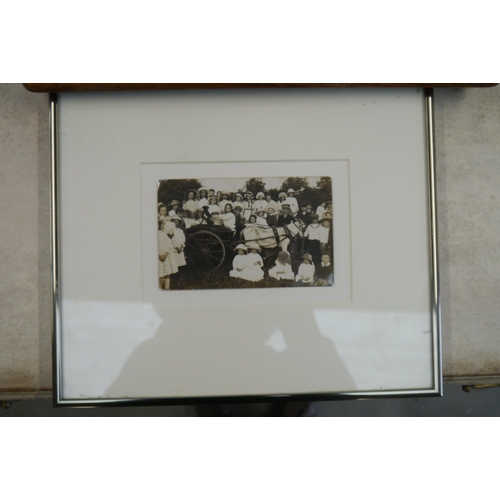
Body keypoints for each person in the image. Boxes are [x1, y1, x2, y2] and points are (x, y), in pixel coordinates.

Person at [158, 220, 178, 289]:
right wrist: (159, 255)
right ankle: (159, 288)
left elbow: (169, 244)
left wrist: (166, 254)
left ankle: (167, 288)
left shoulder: (163, 234)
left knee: (167, 273)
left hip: (165, 256)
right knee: (160, 274)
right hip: (158, 257)